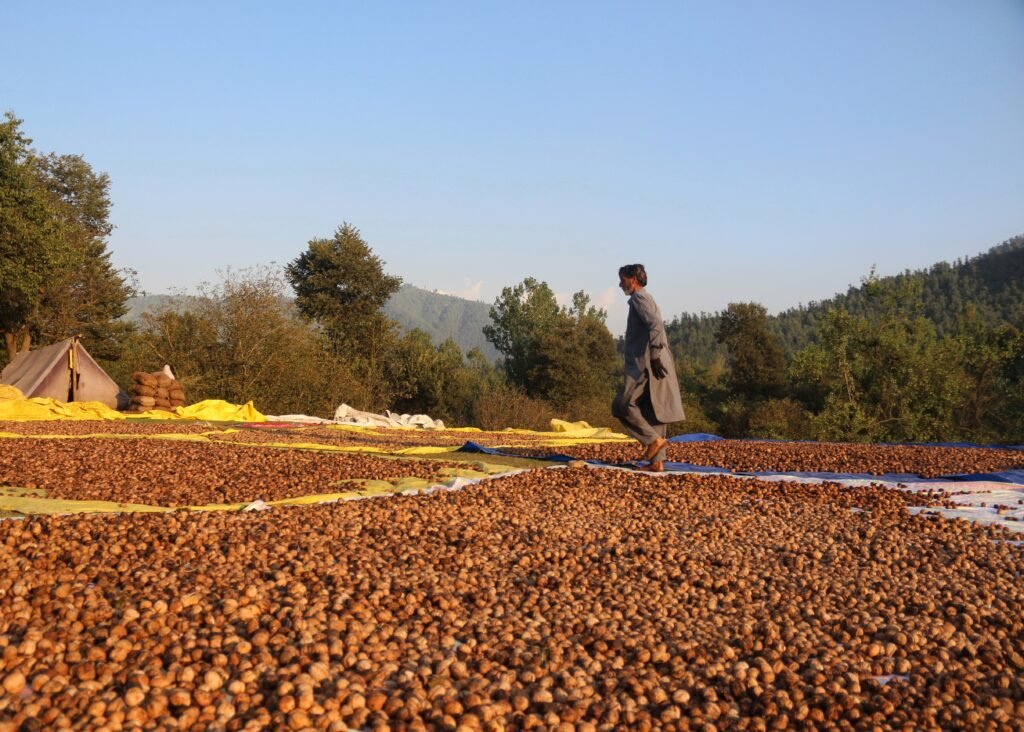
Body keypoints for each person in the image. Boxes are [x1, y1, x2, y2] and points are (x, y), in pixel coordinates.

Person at [612, 263, 685, 471]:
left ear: (633, 280)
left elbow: (656, 325)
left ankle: (653, 441)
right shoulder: (644, 298)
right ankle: (657, 463)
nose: (620, 284)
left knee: (623, 405)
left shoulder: (639, 298)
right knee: (653, 409)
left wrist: (654, 353)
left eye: (622, 279)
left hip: (646, 363)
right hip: (653, 360)